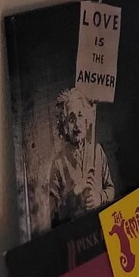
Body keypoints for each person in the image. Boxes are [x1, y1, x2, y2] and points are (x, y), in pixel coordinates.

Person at [48, 88, 114, 227]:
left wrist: (99, 197)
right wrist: (73, 196)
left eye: (80, 116)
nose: (77, 123)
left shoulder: (97, 151)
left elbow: (110, 189)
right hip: (77, 234)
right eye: (71, 119)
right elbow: (53, 216)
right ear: (64, 126)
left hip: (102, 225)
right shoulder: (58, 163)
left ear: (86, 120)